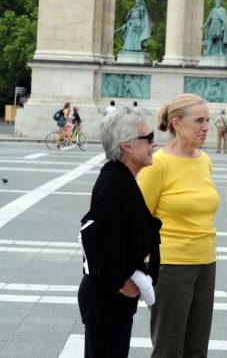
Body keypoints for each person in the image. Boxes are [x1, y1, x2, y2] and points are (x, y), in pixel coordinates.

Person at [137, 94, 220, 358]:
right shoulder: (157, 164)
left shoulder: (204, 160)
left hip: (205, 262)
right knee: (169, 348)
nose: (206, 126)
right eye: (198, 120)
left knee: (197, 348)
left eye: (207, 120)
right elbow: (137, 219)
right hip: (169, 266)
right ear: (177, 123)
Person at [77, 107, 161, 358]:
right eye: (148, 138)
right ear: (127, 146)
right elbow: (90, 234)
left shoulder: (120, 177)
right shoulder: (116, 183)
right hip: (107, 298)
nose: (154, 143)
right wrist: (121, 284)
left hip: (106, 298)